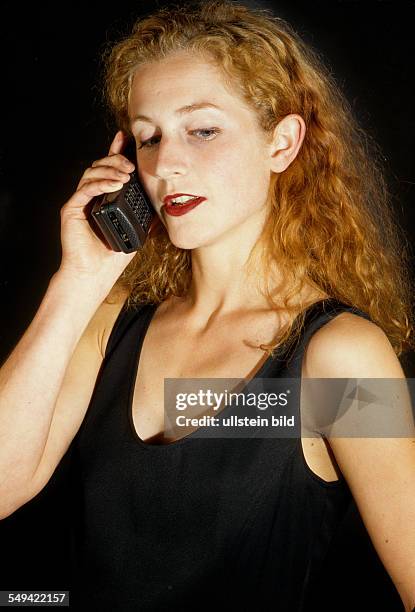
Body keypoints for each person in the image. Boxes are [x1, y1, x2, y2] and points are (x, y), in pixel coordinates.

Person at [0, 0, 414, 610]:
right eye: (148, 137)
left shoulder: (345, 357)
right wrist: (78, 281)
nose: (166, 163)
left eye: (203, 129)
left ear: (282, 142)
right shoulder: (109, 321)